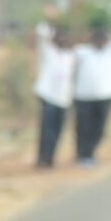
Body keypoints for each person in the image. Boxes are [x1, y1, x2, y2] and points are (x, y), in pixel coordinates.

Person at [72, 15, 111, 166]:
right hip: (84, 96)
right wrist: (85, 37)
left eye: (102, 38)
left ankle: (90, 152)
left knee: (100, 128)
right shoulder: (82, 51)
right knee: (83, 127)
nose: (100, 41)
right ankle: (82, 155)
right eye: (97, 38)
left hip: (106, 95)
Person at [32, 20, 76, 170]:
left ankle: (51, 158)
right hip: (48, 96)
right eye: (59, 36)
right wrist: (51, 19)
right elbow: (41, 33)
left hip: (63, 98)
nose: (62, 39)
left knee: (58, 130)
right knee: (46, 129)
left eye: (65, 37)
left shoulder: (70, 56)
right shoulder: (48, 51)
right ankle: (42, 159)